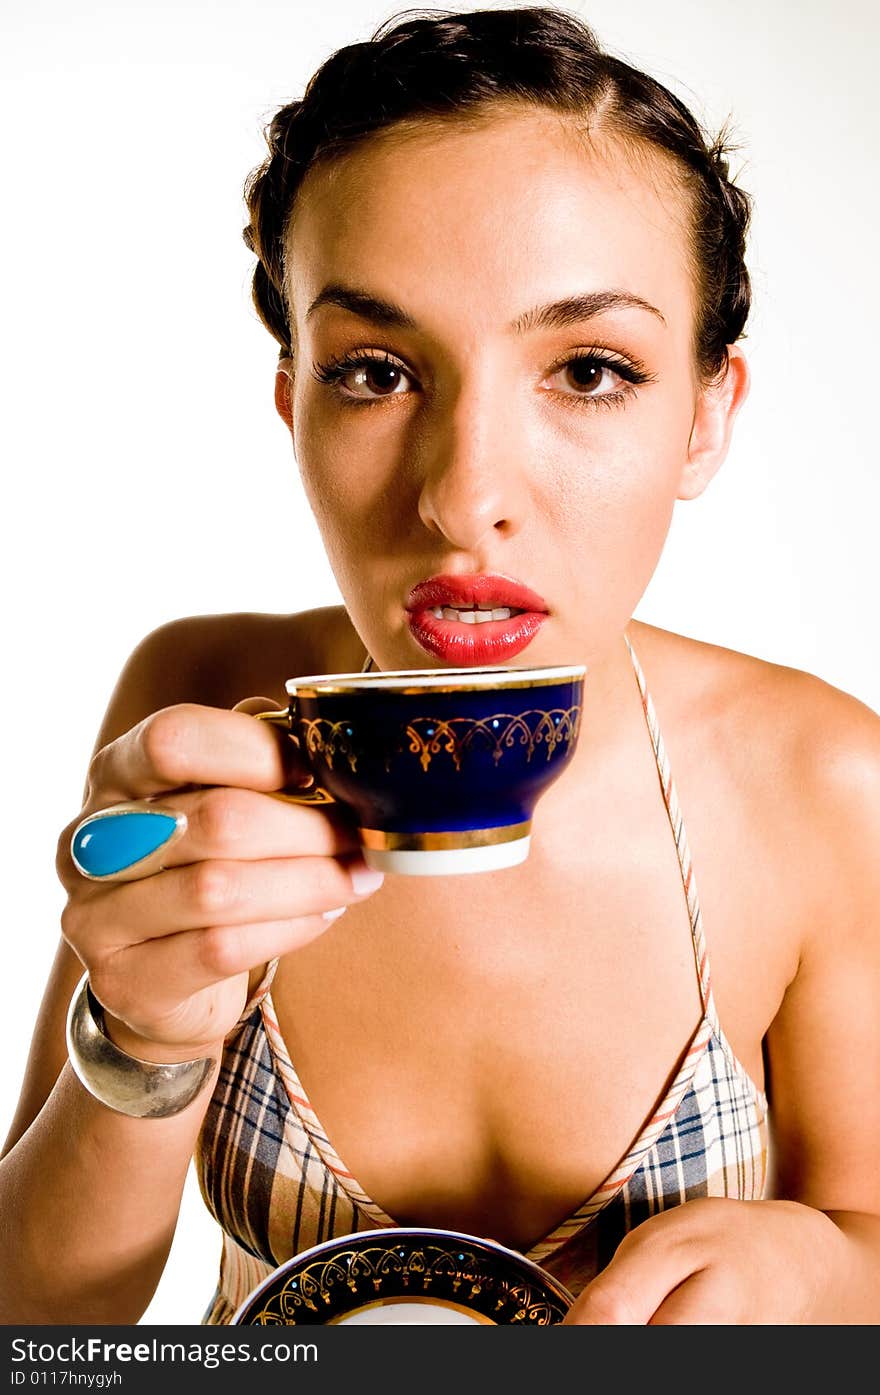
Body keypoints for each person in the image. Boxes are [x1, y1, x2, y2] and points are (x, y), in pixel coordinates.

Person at [1, 4, 878, 1326]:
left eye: (589, 369)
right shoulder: (200, 707)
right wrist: (146, 1040)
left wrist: (825, 1269)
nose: (465, 500)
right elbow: (42, 1332)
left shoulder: (822, 780)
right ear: (292, 402)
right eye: (374, 372)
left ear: (706, 417)